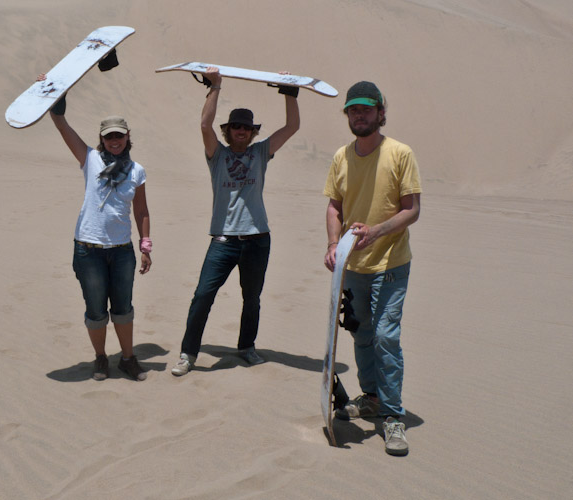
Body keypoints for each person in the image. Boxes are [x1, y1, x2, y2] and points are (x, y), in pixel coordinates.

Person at [171, 67, 300, 376]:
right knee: (203, 295)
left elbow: (292, 126)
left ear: (253, 132)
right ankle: (188, 354)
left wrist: (289, 91)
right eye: (236, 127)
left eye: (246, 127)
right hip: (223, 241)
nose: (241, 131)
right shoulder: (217, 155)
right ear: (228, 131)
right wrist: (215, 86)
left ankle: (246, 347)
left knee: (251, 298)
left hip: (258, 238)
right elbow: (204, 124)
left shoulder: (260, 152)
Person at [323, 81, 422, 456]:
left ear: (381, 112)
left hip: (391, 265)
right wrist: (335, 246)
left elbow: (412, 209)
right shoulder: (341, 157)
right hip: (353, 266)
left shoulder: (400, 153)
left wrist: (376, 232)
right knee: (361, 335)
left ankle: (393, 417)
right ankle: (372, 397)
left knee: (384, 338)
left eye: (366, 109)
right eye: (353, 110)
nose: (359, 115)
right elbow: (334, 207)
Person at [39, 74, 152, 381]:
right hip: (88, 250)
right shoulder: (89, 158)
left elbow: (140, 209)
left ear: (128, 136)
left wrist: (145, 244)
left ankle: (128, 359)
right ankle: (101, 359)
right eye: (108, 137)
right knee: (95, 309)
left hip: (122, 252)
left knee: (124, 307)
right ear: (101, 139)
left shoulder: (136, 170)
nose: (114, 141)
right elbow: (61, 123)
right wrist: (53, 91)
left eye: (119, 136)